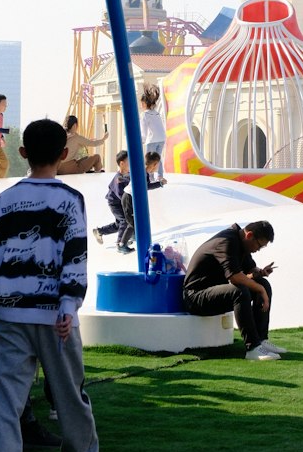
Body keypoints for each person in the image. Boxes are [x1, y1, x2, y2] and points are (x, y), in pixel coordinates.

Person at [0, 117, 103, 452]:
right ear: (65, 155)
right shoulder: (70, 199)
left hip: (8, 313)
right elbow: (75, 255)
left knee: (2, 402)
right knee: (68, 396)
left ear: (23, 153)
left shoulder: (6, 199)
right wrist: (68, 306)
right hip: (55, 318)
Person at [182, 220, 281, 360]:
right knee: (240, 290)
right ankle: (252, 348)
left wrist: (260, 273)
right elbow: (235, 277)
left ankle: (261, 340)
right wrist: (260, 290)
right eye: (259, 245)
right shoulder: (226, 241)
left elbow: (250, 271)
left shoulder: (242, 243)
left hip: (213, 294)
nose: (258, 249)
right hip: (195, 297)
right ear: (249, 235)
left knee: (263, 284)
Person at [117, 151, 164, 253]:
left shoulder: (143, 172)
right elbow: (146, 186)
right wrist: (159, 183)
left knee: (134, 222)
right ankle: (122, 245)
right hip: (128, 198)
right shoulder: (144, 173)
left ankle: (132, 237)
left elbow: (132, 177)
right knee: (132, 224)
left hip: (130, 198)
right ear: (155, 164)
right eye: (158, 164)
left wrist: (122, 178)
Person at [92, 149, 129, 244]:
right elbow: (120, 194)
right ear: (122, 163)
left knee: (119, 224)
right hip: (115, 203)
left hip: (120, 202)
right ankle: (121, 243)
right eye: (129, 161)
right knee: (124, 221)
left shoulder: (127, 175)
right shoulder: (118, 179)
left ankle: (99, 231)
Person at [139, 83, 166, 168]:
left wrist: (142, 140)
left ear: (144, 103)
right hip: (161, 138)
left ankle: (149, 177)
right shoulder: (156, 113)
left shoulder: (144, 114)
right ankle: (160, 176)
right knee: (158, 159)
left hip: (152, 140)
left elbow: (144, 130)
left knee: (149, 160)